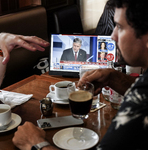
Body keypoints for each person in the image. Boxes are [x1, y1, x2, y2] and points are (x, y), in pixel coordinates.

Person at [12, 0, 148, 149]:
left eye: (120, 27)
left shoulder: (140, 106)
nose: (113, 36)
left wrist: (36, 144)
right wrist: (113, 77)